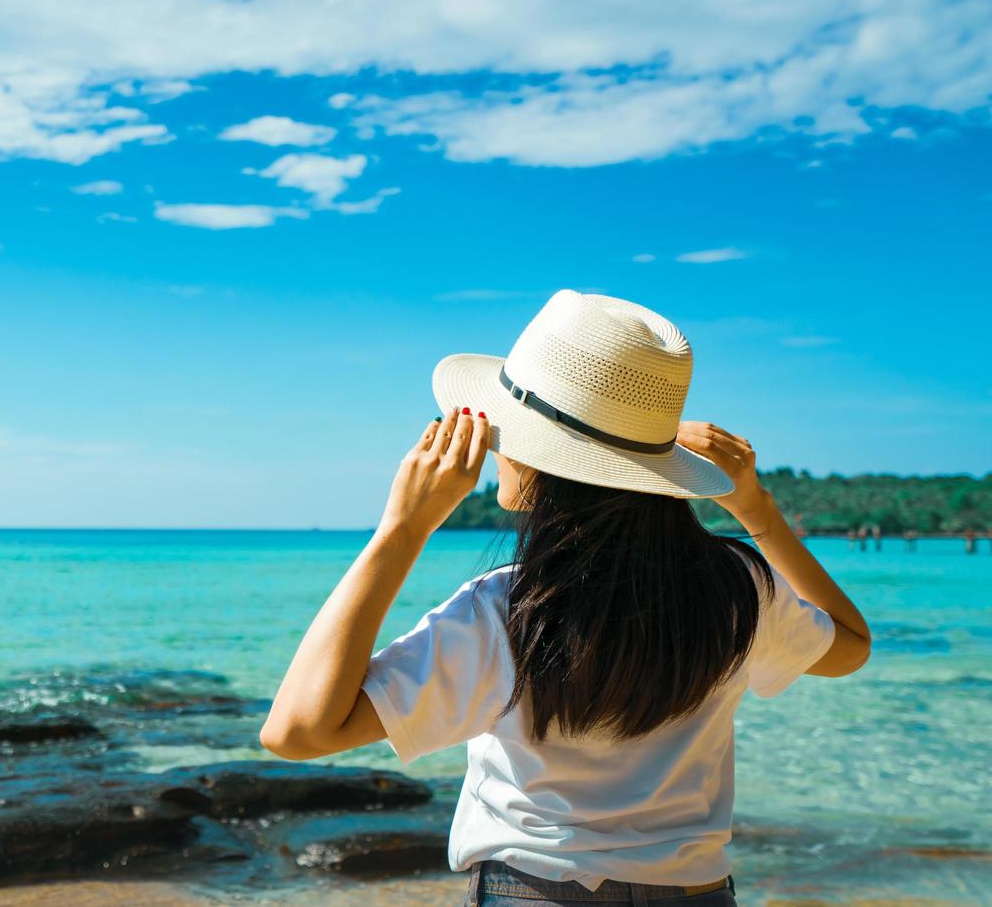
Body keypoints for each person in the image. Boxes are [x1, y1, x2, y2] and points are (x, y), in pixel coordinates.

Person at [260, 289, 872, 905]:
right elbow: (849, 648)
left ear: (541, 459)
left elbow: (296, 733)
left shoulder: (506, 610)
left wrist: (402, 528)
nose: (496, 447)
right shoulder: (740, 586)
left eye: (504, 431)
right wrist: (755, 509)